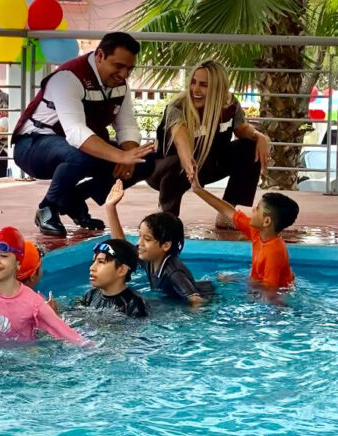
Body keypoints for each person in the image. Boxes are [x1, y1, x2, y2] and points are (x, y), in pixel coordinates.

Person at [12, 32, 155, 237]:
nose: (124, 74)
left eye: (129, 69)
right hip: (32, 147)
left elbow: (127, 126)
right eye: (118, 66)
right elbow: (76, 132)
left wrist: (130, 154)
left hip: (75, 148)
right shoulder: (67, 78)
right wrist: (120, 156)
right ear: (99, 56)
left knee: (146, 160)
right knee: (81, 152)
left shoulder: (120, 86)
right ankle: (48, 207)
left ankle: (74, 198)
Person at [145, 60, 269, 225]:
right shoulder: (176, 106)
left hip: (206, 164)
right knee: (177, 163)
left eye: (203, 85)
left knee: (249, 147)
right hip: (164, 170)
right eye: (193, 82)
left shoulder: (229, 104)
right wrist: (188, 163)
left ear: (218, 89)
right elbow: (180, 139)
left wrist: (259, 136)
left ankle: (228, 213)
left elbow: (241, 128)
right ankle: (167, 218)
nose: (195, 89)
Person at [0, 227, 85, 344]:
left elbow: (72, 337)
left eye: (3, 256)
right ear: (34, 273)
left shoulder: (34, 304)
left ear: (18, 264)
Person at [104, 180, 213, 306]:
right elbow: (122, 247)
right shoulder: (150, 258)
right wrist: (110, 207)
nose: (140, 243)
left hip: (206, 295)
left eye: (147, 239)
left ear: (165, 245)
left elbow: (196, 299)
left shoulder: (174, 272)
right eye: (140, 236)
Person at [191, 177, 299, 292]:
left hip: (278, 295)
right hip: (261, 286)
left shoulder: (274, 252)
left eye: (257, 209)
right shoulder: (258, 232)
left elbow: (270, 292)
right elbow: (228, 211)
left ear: (266, 221)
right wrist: (198, 190)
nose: (253, 210)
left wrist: (238, 281)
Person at [81, 239, 149, 317]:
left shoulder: (135, 304)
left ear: (122, 270)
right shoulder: (90, 295)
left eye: (101, 262)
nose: (91, 268)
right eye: (93, 262)